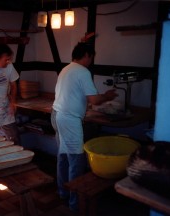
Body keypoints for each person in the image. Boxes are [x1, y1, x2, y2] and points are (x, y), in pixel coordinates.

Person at [51, 43, 118, 212]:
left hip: (58, 115)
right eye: (91, 57)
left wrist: (82, 106)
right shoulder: (83, 71)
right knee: (76, 161)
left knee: (63, 157)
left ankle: (63, 193)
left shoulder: (66, 69)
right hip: (69, 120)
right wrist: (107, 95)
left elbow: (73, 94)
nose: (91, 61)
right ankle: (75, 203)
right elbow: (94, 100)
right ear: (87, 55)